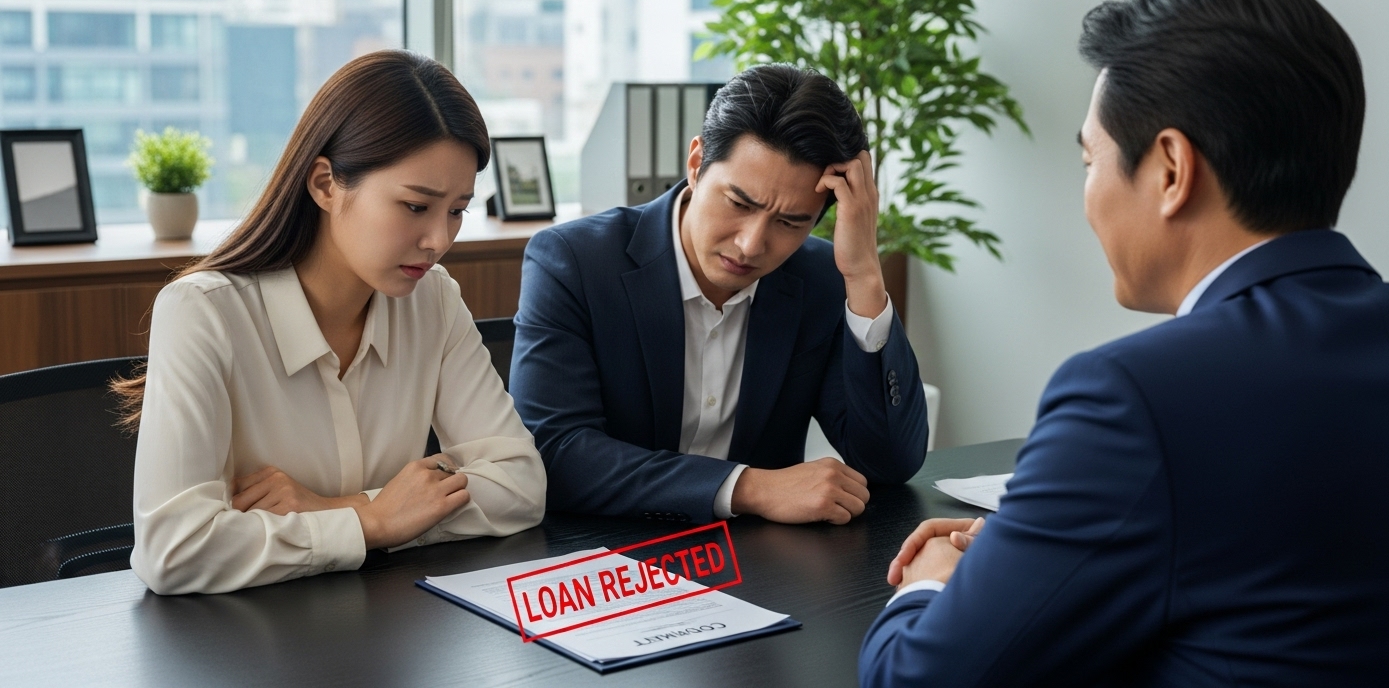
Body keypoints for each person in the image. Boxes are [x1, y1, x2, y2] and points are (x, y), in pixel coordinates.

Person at [861, 0, 1389, 686]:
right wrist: (1043, 549)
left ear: (1172, 169)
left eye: (1091, 161)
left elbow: (915, 679)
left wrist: (934, 581)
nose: (1087, 196)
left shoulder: (1133, 398)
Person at [122, 50, 548, 595]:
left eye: (458, 210)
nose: (439, 240)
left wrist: (335, 510)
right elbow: (173, 550)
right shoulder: (203, 312)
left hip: (387, 629)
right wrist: (374, 521)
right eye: (416, 206)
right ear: (325, 184)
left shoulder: (432, 300)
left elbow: (520, 483)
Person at [510, 64, 928, 525]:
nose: (751, 244)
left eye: (790, 223)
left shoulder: (820, 282)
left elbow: (891, 465)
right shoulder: (574, 262)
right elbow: (555, 453)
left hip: (756, 567)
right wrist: (748, 487)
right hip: (598, 560)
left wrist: (865, 275)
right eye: (740, 204)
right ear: (696, 165)